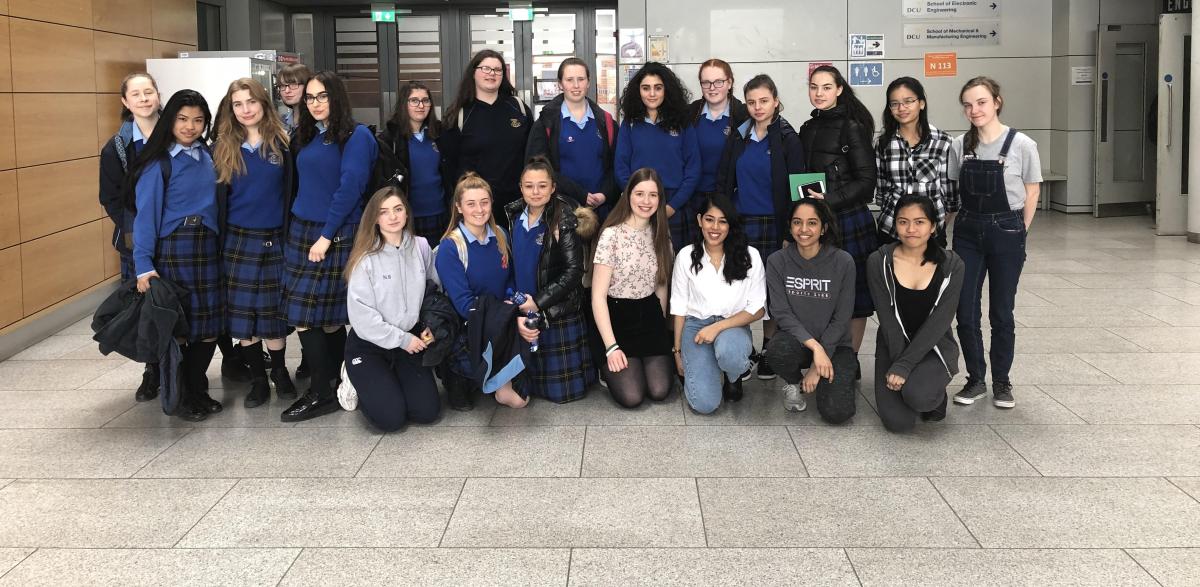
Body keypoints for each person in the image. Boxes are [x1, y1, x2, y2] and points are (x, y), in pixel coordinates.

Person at [281, 71, 379, 422]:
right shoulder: (306, 135)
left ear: (336, 98)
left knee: (309, 317)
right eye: (310, 98)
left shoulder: (356, 136)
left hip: (333, 233)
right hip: (302, 229)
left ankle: (320, 391)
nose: (315, 103)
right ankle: (336, 383)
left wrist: (325, 235)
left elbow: (350, 188)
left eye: (322, 96)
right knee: (326, 319)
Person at [949, 76, 1042, 409]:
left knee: (1002, 311)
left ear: (997, 102)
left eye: (981, 102)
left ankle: (1002, 382)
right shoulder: (959, 146)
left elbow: (1032, 191)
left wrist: (1021, 230)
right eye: (968, 105)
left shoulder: (1022, 145)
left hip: (1007, 229)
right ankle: (975, 379)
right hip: (968, 231)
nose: (974, 110)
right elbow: (953, 196)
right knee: (966, 310)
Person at [128, 89, 221, 422]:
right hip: (174, 248)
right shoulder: (159, 163)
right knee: (181, 328)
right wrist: (143, 266)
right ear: (170, 120)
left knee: (208, 325)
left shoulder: (209, 156)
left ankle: (197, 388)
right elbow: (145, 218)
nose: (190, 126)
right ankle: (182, 396)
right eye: (183, 119)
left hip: (207, 246)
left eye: (198, 120)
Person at [211, 77, 299, 409]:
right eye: (238, 104)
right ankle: (258, 380)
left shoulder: (283, 144)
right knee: (244, 316)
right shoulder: (221, 148)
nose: (246, 110)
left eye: (251, 102)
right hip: (237, 241)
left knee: (273, 313)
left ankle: (279, 372)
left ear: (264, 104)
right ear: (231, 109)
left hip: (276, 238)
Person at [715, 73, 805, 381]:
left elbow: (796, 190)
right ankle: (741, 348)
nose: (757, 107)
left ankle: (768, 350)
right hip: (741, 222)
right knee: (740, 287)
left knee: (770, 292)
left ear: (776, 101)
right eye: (751, 102)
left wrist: (789, 233)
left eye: (764, 101)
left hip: (774, 224)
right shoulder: (738, 135)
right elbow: (725, 179)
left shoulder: (788, 138)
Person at [799, 65, 879, 380]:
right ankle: (824, 354)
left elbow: (866, 182)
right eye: (814, 87)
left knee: (855, 295)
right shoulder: (807, 128)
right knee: (824, 294)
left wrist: (828, 200)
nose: (819, 93)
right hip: (819, 222)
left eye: (826, 87)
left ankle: (850, 359)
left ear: (839, 89)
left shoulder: (852, 127)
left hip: (848, 220)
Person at [344, 186, 441, 431]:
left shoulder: (421, 247)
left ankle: (390, 381)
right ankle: (354, 377)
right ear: (375, 219)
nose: (393, 216)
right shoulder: (365, 258)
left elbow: (434, 292)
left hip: (409, 342)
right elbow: (362, 317)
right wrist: (401, 339)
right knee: (391, 419)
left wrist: (431, 325)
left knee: (427, 412)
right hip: (371, 344)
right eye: (384, 212)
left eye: (398, 209)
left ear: (406, 213)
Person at [435, 173, 534, 410]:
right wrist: (507, 322)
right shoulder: (451, 247)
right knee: (514, 400)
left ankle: (495, 376)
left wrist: (521, 305)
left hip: (500, 317)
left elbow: (510, 282)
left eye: (484, 202)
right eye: (471, 204)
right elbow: (464, 305)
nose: (479, 209)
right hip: (472, 325)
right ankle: (459, 374)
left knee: (522, 399)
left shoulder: (501, 234)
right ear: (458, 207)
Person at [867, 194, 964, 432]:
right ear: (894, 224)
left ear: (933, 226)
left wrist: (904, 368)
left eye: (919, 222)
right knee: (898, 424)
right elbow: (888, 320)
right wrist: (899, 363)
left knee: (919, 396)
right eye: (903, 222)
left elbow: (940, 322)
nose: (911, 229)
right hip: (893, 343)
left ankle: (933, 394)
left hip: (935, 345)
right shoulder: (879, 261)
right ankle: (917, 387)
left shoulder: (952, 264)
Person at [503, 157, 597, 403]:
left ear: (553, 187)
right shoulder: (513, 215)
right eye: (529, 185)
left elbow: (574, 271)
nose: (535, 192)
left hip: (555, 307)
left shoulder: (563, 218)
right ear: (520, 187)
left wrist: (540, 301)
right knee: (527, 386)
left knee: (561, 392)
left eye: (542, 186)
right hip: (524, 303)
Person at [763, 198, 857, 423]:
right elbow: (782, 313)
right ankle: (793, 382)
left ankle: (827, 379)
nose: (804, 229)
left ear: (824, 228)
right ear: (790, 226)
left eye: (812, 223)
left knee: (837, 413)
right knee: (776, 351)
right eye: (797, 222)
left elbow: (842, 318)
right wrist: (815, 348)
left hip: (835, 345)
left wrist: (817, 365)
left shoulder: (843, 262)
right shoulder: (777, 261)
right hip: (797, 341)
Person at [670, 193, 765, 414]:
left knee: (729, 353)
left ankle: (733, 373)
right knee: (705, 405)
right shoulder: (685, 256)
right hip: (695, 327)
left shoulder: (750, 256)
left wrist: (716, 327)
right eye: (709, 219)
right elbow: (679, 306)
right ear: (699, 220)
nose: (715, 227)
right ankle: (711, 365)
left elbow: (758, 308)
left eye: (723, 221)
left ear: (730, 225)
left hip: (733, 324)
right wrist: (677, 351)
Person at [99, 72, 161, 403]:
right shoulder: (118, 148)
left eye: (148, 91)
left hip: (178, 234)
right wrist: (138, 232)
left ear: (158, 95)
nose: (143, 98)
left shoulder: (179, 135)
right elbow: (109, 197)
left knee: (188, 300)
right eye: (135, 94)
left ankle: (191, 367)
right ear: (125, 102)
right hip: (136, 237)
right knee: (146, 306)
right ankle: (152, 370)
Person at [592, 168, 675, 408]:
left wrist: (660, 327)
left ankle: (639, 361)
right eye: (640, 193)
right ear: (628, 195)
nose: (646, 201)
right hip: (617, 317)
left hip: (649, 316)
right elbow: (597, 297)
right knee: (632, 396)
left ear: (660, 199)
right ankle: (604, 365)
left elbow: (661, 286)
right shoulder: (612, 235)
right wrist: (611, 347)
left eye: (653, 195)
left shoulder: (660, 233)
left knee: (660, 390)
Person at [614, 62, 700, 251]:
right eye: (646, 88)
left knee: (675, 268)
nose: (652, 94)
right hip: (638, 205)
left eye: (658, 88)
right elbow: (620, 168)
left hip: (675, 204)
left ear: (666, 90)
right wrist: (638, 200)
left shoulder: (682, 123)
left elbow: (693, 170)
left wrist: (672, 206)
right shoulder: (630, 124)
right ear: (638, 91)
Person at [442, 49, 533, 220]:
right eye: (486, 69)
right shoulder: (460, 114)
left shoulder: (518, 107)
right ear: (473, 72)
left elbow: (532, 153)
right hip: (478, 207)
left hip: (518, 203)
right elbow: (449, 165)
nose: (492, 74)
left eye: (497, 70)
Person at [525, 57, 618, 218]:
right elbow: (538, 168)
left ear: (588, 82)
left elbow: (618, 166)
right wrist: (580, 194)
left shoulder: (607, 122)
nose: (576, 85)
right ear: (560, 84)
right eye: (569, 80)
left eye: (581, 79)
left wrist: (604, 194)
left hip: (602, 211)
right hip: (560, 211)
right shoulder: (545, 123)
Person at [875, 76, 956, 247]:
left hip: (931, 232)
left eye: (908, 101)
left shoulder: (943, 142)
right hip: (892, 229)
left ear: (921, 103)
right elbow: (881, 192)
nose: (901, 108)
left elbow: (950, 196)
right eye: (894, 103)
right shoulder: (884, 143)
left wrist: (937, 225)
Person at [379, 81, 451, 244]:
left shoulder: (440, 134)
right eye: (414, 100)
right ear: (404, 104)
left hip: (440, 214)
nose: (421, 105)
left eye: (425, 100)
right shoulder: (390, 138)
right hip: (407, 216)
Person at [689, 59, 748, 207]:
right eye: (706, 82)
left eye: (718, 82)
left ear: (729, 83)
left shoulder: (744, 116)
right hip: (691, 197)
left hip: (729, 198)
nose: (712, 88)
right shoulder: (689, 114)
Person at [276, 63, 312, 132]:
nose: (287, 91)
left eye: (293, 84)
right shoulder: (281, 122)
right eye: (282, 86)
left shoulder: (317, 122)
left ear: (307, 85)